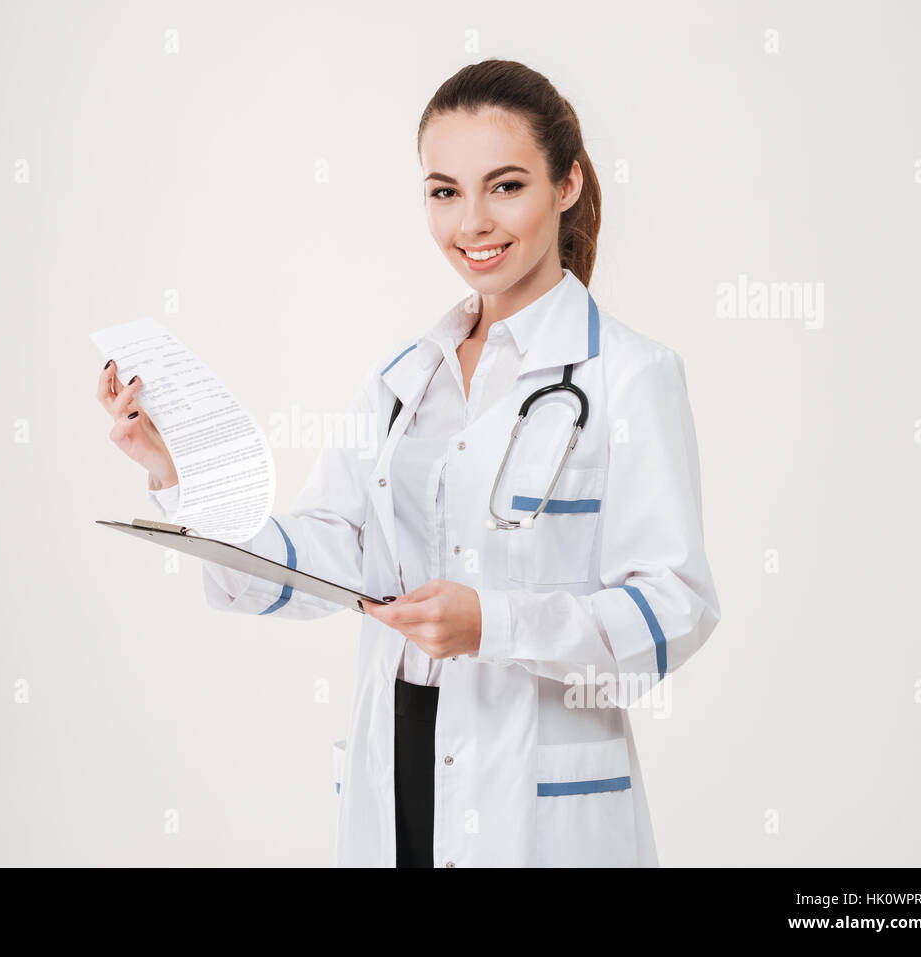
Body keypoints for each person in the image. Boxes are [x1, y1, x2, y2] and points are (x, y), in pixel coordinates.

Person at [95, 58, 720, 867]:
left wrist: (490, 623)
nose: (472, 223)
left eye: (505, 186)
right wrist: (184, 478)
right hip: (398, 759)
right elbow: (335, 549)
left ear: (566, 186)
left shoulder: (630, 375)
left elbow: (676, 607)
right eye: (444, 191)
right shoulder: (405, 376)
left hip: (533, 789)